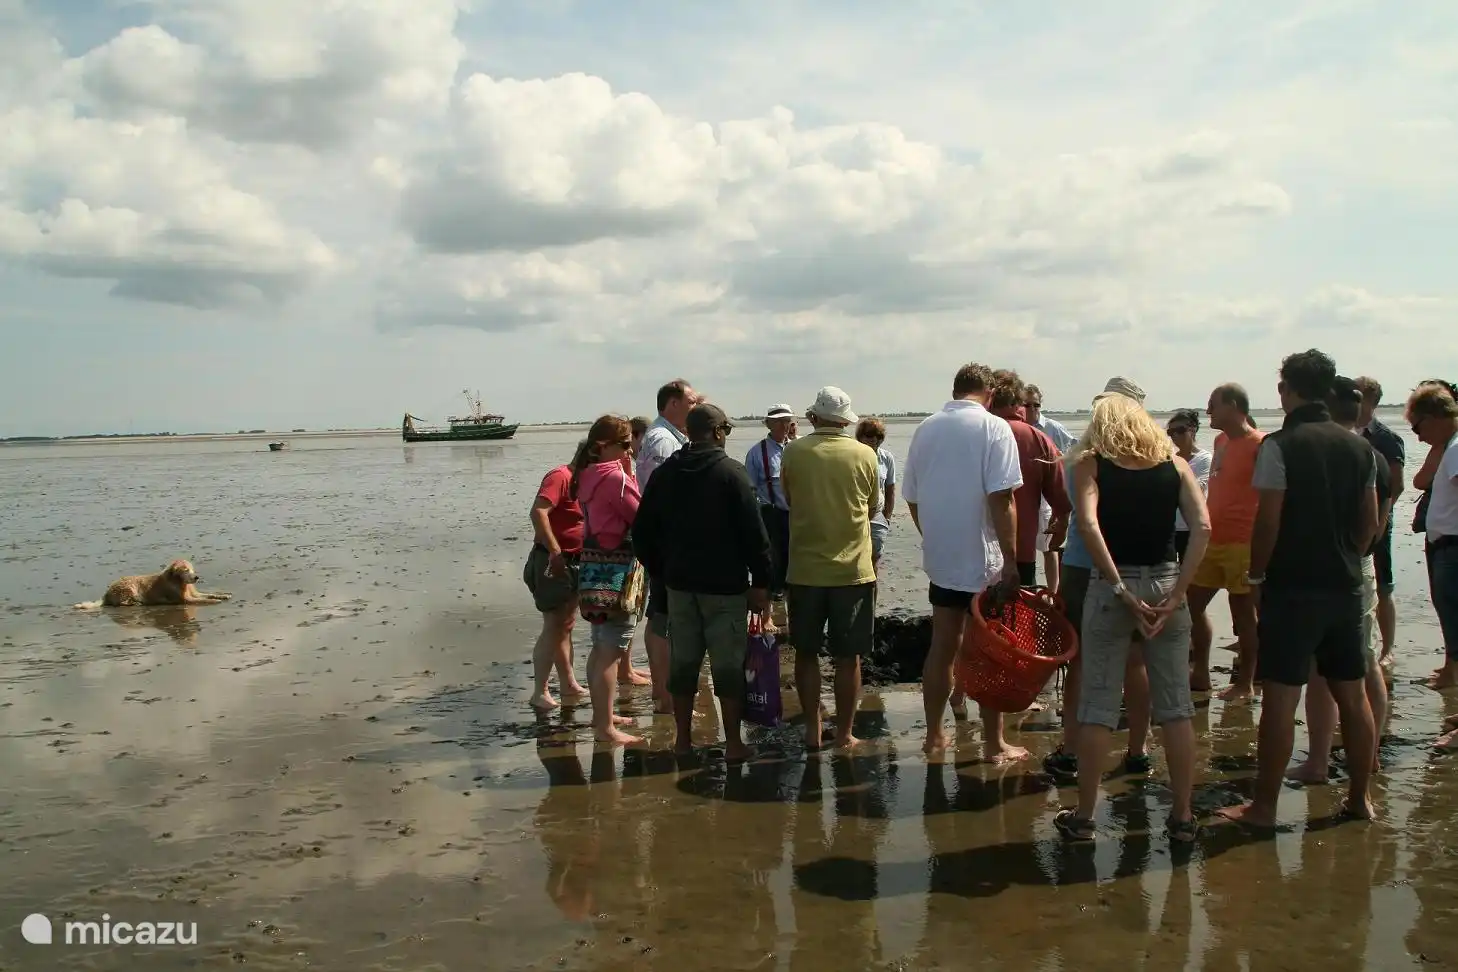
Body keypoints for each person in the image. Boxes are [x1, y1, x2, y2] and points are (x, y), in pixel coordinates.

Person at [1218, 349, 1380, 828]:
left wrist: (1257, 576)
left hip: (1293, 588)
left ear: (1285, 389)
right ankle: (1359, 798)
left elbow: (1268, 521)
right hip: (1344, 586)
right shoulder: (1360, 447)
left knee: (1282, 699)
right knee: (1352, 695)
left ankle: (1264, 807)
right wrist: (1344, 554)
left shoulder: (1280, 445)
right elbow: (1369, 526)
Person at [1053, 392, 1210, 842]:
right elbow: (1203, 527)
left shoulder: (1091, 463)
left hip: (1112, 590)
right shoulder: (1174, 464)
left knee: (1098, 707)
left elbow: (1087, 524)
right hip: (1166, 584)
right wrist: (1180, 591)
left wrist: (1119, 584)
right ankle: (1182, 817)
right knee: (1176, 708)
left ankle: (1084, 817)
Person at [633, 403, 773, 761]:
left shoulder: (666, 474)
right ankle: (734, 744)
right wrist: (761, 583)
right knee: (727, 666)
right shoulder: (731, 473)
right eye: (724, 430)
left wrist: (662, 571)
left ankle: (683, 742)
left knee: (684, 664)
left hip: (679, 587)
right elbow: (755, 536)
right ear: (716, 432)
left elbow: (642, 532)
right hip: (724, 588)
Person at [900, 363, 1024, 760]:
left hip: (943, 559)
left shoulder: (925, 428)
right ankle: (993, 743)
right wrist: (1011, 560)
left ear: (956, 390)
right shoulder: (994, 428)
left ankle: (934, 736)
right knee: (990, 650)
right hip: (984, 560)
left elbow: (913, 498)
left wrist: (933, 537)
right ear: (989, 393)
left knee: (942, 647)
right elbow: (1002, 499)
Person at [1043, 378, 1155, 783]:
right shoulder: (1154, 459)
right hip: (1134, 565)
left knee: (1080, 661)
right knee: (1134, 662)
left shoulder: (1080, 457)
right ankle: (1139, 749)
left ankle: (1072, 749)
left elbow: (1079, 513)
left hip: (1081, 564)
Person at [1287, 376, 1392, 783]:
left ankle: (1318, 761)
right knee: (1364, 662)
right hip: (1357, 566)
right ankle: (1371, 751)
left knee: (1323, 671)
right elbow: (1376, 524)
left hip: (1335, 569)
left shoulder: (1330, 453)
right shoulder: (1372, 456)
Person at [781, 386, 880, 751]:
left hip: (805, 569)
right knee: (848, 656)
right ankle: (844, 733)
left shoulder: (793, 452)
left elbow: (789, 499)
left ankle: (811, 729)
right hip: (852, 571)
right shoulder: (864, 454)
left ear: (814, 418)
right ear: (845, 421)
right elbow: (872, 508)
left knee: (806, 653)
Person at [573, 415, 648, 746]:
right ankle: (604, 726)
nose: (630, 450)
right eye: (626, 444)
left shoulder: (586, 474)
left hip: (592, 565)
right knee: (610, 650)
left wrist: (627, 471)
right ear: (608, 447)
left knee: (599, 645)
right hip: (618, 570)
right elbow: (640, 516)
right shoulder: (614, 478)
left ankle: (601, 715)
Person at [1187, 383, 1265, 697]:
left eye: (1213, 405)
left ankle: (1245, 683)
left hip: (1243, 543)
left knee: (1244, 616)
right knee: (1188, 605)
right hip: (1212, 541)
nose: (1208, 412)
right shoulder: (1220, 440)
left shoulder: (1261, 444)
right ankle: (1201, 673)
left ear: (1233, 405)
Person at [636, 380, 700, 713]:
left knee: (666, 614)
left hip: (668, 540)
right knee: (661, 615)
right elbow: (666, 498)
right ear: (671, 404)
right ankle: (663, 694)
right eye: (691, 401)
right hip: (667, 541)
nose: (696, 405)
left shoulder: (673, 437)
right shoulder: (663, 442)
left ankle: (666, 690)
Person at [524, 439, 592, 711]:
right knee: (553, 625)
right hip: (552, 561)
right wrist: (555, 551)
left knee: (566, 625)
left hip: (576, 561)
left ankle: (568, 683)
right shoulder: (560, 477)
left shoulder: (584, 484)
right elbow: (538, 512)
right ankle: (539, 692)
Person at [988, 370, 1070, 586]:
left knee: (972, 614)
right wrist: (1062, 521)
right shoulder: (1037, 438)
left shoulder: (974, 432)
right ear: (1019, 403)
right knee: (1020, 614)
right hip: (1021, 549)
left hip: (974, 551)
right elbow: (1061, 493)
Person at [1407, 381, 1458, 691]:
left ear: (1434, 416)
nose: (1419, 436)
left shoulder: (1454, 449)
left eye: (1417, 427)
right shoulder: (1448, 447)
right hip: (1446, 547)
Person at [1355, 377, 1406, 671]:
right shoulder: (1347, 432)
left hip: (1380, 520)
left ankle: (1388, 649)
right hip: (1354, 522)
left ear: (1372, 400)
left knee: (1384, 585)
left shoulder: (1385, 437)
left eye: (1359, 396)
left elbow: (1396, 485)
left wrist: (1380, 521)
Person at [1025, 384, 1075, 592]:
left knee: (1050, 547)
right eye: (1026, 404)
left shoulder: (1052, 428)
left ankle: (1053, 593)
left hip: (1047, 498)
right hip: (1023, 497)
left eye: (1036, 404)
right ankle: (1025, 591)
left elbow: (1075, 448)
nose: (1032, 409)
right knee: (1024, 547)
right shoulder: (1010, 427)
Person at [745, 404, 795, 599]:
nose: (784, 425)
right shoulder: (757, 453)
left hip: (798, 516)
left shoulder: (798, 448)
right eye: (779, 421)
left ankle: (793, 615)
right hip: (772, 516)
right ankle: (769, 616)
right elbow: (750, 490)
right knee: (773, 568)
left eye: (787, 420)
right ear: (769, 425)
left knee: (797, 569)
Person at [1166, 409, 1212, 564]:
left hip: (1192, 527)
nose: (1175, 436)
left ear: (1192, 430)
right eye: (1171, 432)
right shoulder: (1168, 459)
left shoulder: (1204, 459)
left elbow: (1196, 490)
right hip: (1170, 528)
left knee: (1192, 578)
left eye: (1180, 430)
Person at [854, 417, 898, 572]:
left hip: (877, 517)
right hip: (855, 514)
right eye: (869, 435)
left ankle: (871, 592)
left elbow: (890, 489)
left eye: (878, 436)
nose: (874, 440)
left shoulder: (886, 458)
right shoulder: (851, 456)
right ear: (860, 436)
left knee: (875, 558)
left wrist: (887, 517)